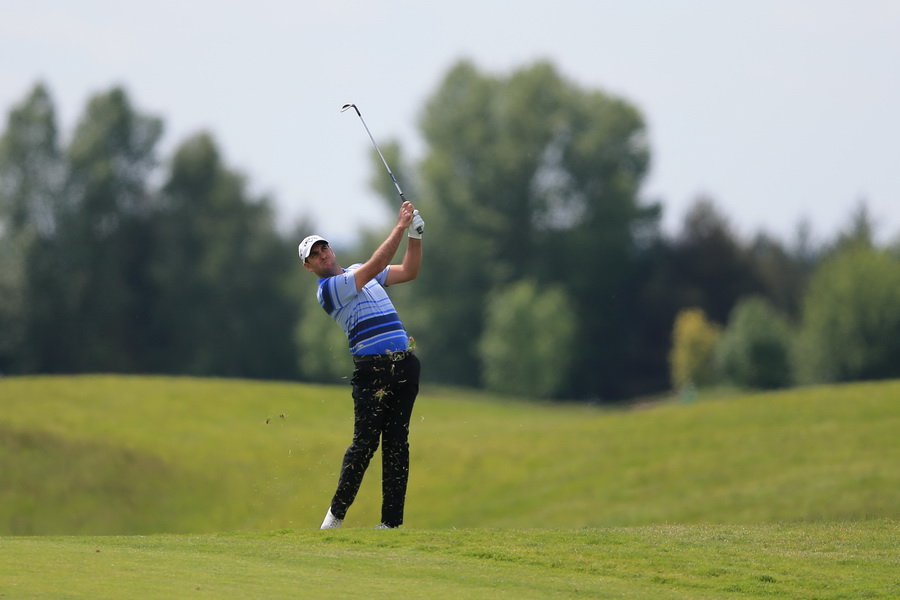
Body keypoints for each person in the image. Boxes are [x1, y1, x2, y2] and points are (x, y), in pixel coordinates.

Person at [299, 201, 425, 530]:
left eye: (324, 248)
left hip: (404, 365)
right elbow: (376, 264)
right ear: (309, 267)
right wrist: (401, 226)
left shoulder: (356, 271)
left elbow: (408, 271)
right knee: (364, 444)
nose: (323, 255)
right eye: (315, 255)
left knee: (397, 443)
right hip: (373, 372)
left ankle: (391, 525)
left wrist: (415, 236)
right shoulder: (329, 290)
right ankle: (334, 518)